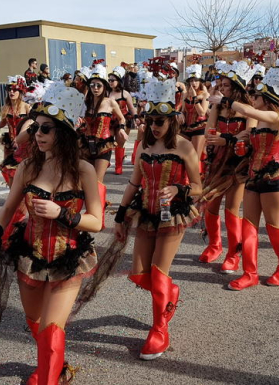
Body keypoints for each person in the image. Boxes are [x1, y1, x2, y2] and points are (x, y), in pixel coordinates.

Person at [0, 82, 102, 384]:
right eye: (36, 128)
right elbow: (5, 210)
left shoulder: (84, 170)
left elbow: (96, 221)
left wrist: (64, 214)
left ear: (64, 133)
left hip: (67, 259)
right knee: (36, 322)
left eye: (45, 129)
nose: (37, 135)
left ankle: (50, 376)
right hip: (29, 256)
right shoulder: (28, 167)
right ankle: (56, 367)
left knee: (52, 330)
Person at [114, 66, 201, 361]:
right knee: (140, 274)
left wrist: (179, 188)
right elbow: (133, 183)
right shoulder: (143, 146)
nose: (154, 126)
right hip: (146, 212)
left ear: (172, 120)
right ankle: (169, 295)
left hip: (174, 213)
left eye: (159, 121)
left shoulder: (184, 146)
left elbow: (200, 187)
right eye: (150, 120)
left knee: (159, 272)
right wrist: (119, 215)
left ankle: (159, 330)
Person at [228, 66, 279, 290]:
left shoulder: (276, 117)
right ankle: (250, 273)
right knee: (249, 225)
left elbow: (250, 112)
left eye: (255, 95)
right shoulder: (258, 122)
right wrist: (242, 139)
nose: (252, 98)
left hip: (274, 176)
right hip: (253, 175)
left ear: (265, 98)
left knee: (274, 224)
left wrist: (228, 100)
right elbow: (249, 148)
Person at [199, 61, 257, 271]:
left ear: (236, 88)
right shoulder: (217, 107)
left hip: (238, 163)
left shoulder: (248, 108)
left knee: (232, 209)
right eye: (220, 85)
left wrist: (226, 140)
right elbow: (208, 130)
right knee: (211, 206)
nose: (221, 89)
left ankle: (234, 253)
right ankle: (215, 245)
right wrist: (224, 137)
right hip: (216, 162)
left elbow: (249, 134)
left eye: (225, 86)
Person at [79, 63, 128, 227]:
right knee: (85, 180)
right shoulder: (84, 103)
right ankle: (94, 206)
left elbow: (122, 118)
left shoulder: (111, 102)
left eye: (99, 85)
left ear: (105, 86)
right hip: (85, 144)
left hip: (104, 144)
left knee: (97, 180)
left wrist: (121, 130)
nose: (95, 88)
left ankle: (96, 217)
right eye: (92, 84)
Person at [0, 75, 32, 186]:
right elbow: (2, 123)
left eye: (15, 90)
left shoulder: (26, 106)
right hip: (10, 142)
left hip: (24, 143)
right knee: (7, 169)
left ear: (20, 91)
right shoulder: (6, 107)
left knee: (22, 170)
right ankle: (13, 192)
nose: (11, 92)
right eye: (9, 89)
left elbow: (33, 123)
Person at [180, 62, 209, 169]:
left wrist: (195, 98)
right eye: (191, 81)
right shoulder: (186, 94)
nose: (194, 83)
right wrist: (180, 115)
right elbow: (183, 110)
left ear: (200, 82)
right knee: (182, 153)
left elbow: (202, 112)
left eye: (196, 80)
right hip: (186, 126)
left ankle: (196, 181)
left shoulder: (205, 95)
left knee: (195, 155)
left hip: (199, 126)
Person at [109, 65, 138, 175]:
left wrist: (136, 117)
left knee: (120, 144)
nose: (110, 82)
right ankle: (105, 161)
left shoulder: (125, 93)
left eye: (113, 80)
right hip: (109, 122)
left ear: (119, 81)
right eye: (109, 80)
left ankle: (118, 166)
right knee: (107, 142)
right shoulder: (106, 93)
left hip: (123, 121)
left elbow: (131, 108)